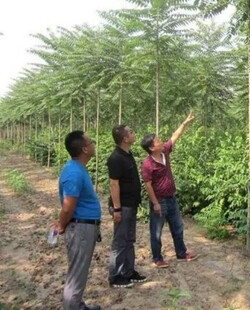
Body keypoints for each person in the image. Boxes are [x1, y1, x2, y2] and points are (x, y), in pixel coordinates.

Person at [140, 112, 198, 268]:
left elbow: (175, 136)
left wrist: (185, 122)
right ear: (152, 147)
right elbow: (148, 185)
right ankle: (157, 258)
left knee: (178, 227)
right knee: (157, 231)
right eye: (157, 140)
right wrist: (155, 203)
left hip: (172, 198)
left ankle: (181, 252)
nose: (161, 141)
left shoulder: (164, 151)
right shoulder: (147, 164)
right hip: (159, 201)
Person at [56, 130, 101, 310]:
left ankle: (79, 306)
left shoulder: (77, 169)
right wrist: (60, 224)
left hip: (84, 228)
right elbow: (68, 207)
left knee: (79, 273)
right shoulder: (73, 172)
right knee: (76, 277)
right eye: (91, 142)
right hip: (81, 229)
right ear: (84, 149)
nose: (94, 145)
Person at [107, 125, 147, 288]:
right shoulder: (116, 158)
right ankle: (115, 276)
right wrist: (117, 209)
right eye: (131, 132)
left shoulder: (128, 154)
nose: (134, 133)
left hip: (130, 205)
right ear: (124, 139)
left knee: (129, 240)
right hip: (122, 206)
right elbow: (114, 184)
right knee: (120, 241)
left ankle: (128, 272)